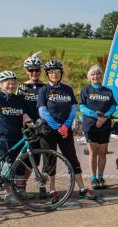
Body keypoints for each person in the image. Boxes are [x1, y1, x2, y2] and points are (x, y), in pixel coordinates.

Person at [37, 59, 96, 201]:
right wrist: (57, 127)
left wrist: (66, 125)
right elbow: (42, 111)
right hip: (48, 131)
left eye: (57, 72)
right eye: (51, 72)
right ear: (47, 75)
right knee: (49, 161)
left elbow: (73, 109)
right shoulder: (43, 90)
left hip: (65, 130)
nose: (54, 75)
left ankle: (82, 188)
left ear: (61, 73)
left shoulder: (67, 89)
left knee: (72, 158)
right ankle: (52, 190)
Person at [0, 71, 32, 205]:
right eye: (8, 83)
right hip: (3, 137)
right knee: (8, 166)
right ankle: (9, 194)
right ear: (1, 84)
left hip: (18, 136)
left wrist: (31, 124)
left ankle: (18, 191)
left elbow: (24, 115)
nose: (11, 85)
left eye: (13, 83)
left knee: (19, 165)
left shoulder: (18, 99)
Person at [80, 65, 116, 190]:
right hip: (90, 125)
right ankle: (93, 178)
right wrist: (96, 116)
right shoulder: (86, 90)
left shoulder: (108, 91)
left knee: (102, 152)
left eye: (98, 74)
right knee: (93, 152)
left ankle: (101, 177)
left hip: (105, 125)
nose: (95, 76)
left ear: (101, 76)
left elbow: (113, 106)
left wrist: (105, 117)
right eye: (93, 74)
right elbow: (82, 107)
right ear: (89, 77)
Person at [18, 52, 46, 123]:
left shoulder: (45, 87)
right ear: (26, 71)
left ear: (40, 71)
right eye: (31, 70)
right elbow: (19, 105)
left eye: (37, 70)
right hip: (27, 123)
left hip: (43, 123)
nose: (34, 72)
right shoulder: (22, 86)